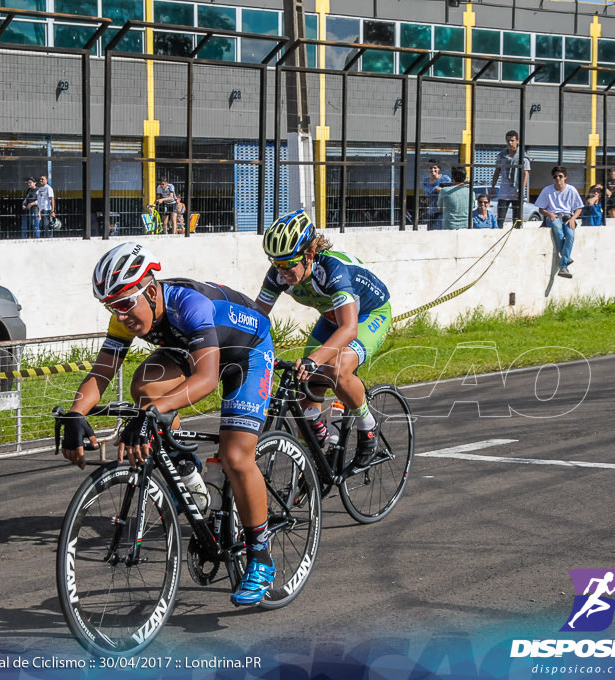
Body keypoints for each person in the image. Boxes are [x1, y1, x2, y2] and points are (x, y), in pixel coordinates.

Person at [59, 242, 278, 606]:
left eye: (125, 303)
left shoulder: (188, 304)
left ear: (150, 289)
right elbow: (102, 372)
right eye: (111, 307)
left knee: (236, 456)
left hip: (247, 353)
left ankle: (260, 555)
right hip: (193, 351)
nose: (121, 314)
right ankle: (188, 477)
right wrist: (75, 413)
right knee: (144, 386)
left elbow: (207, 379)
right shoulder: (125, 312)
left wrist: (150, 415)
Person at [255, 209, 391, 471]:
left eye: (287, 263)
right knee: (303, 385)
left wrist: (313, 360)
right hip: (331, 319)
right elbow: (256, 317)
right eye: (275, 263)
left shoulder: (332, 269)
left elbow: (349, 329)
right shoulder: (278, 273)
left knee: (335, 370)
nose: (280, 271)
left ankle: (368, 427)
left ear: (308, 256)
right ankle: (316, 457)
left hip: (368, 316)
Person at [535, 166, 584, 279]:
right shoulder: (547, 190)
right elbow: (541, 209)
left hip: (568, 216)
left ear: (565, 177)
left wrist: (573, 219)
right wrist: (550, 214)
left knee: (570, 235)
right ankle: (565, 260)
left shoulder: (571, 190)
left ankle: (563, 265)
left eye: (560, 176)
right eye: (555, 177)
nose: (558, 179)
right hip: (554, 216)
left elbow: (579, 208)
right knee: (557, 229)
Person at [489, 130, 531, 226]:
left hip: (516, 192)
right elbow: (497, 172)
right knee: (500, 219)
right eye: (508, 140)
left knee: (517, 220)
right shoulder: (501, 155)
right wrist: (492, 187)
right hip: (504, 191)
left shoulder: (522, 157)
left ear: (517, 141)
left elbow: (526, 174)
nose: (510, 143)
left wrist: (521, 190)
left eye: (512, 140)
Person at [421, 161, 452, 230]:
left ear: (439, 169)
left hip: (442, 211)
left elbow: (450, 192)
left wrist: (442, 190)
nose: (432, 170)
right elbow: (426, 195)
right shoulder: (425, 180)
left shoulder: (445, 179)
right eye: (430, 168)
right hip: (431, 211)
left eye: (435, 168)